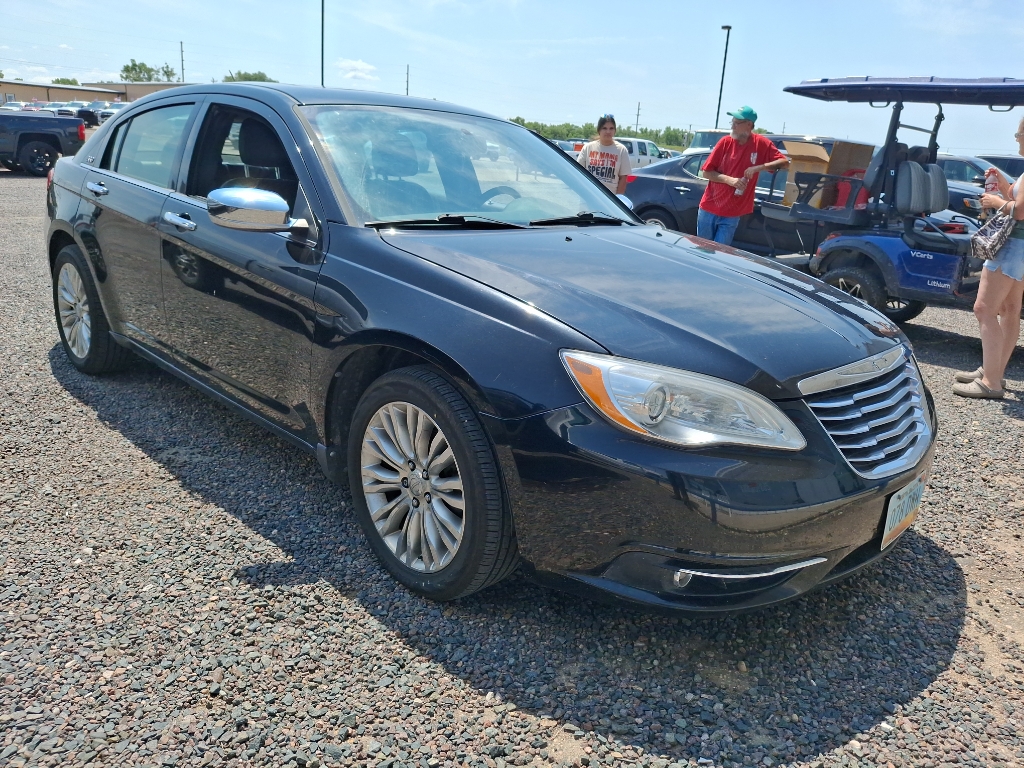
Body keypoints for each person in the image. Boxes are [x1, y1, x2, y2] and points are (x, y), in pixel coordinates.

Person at [952, 117, 1024, 399]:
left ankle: (991, 382)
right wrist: (1004, 184)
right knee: (1009, 310)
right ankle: (993, 371)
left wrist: (996, 202)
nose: (1016, 139)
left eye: (1018, 134)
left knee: (984, 308)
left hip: (1013, 246)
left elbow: (1019, 212)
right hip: (1020, 248)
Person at [697, 106, 789, 245]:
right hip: (709, 208)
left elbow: (784, 163)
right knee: (702, 251)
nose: (732, 126)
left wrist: (759, 167)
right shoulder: (725, 142)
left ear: (749, 125)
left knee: (719, 254)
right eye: (732, 122)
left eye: (736, 122)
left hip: (733, 213)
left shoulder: (761, 144)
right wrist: (730, 180)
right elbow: (706, 172)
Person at [577, 114, 630, 195]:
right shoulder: (588, 148)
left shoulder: (621, 150)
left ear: (615, 130)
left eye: (611, 128)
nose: (608, 131)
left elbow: (623, 178)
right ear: (599, 130)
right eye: (604, 128)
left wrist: (618, 199)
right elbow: (579, 172)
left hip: (609, 199)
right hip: (588, 196)